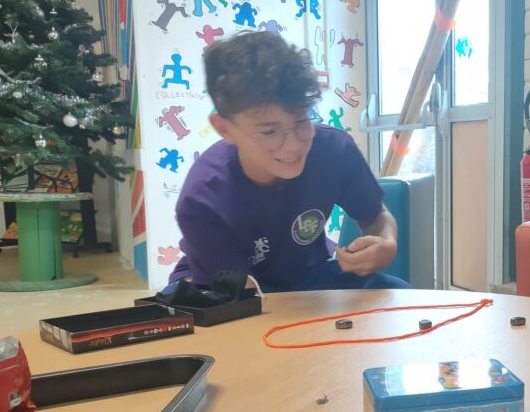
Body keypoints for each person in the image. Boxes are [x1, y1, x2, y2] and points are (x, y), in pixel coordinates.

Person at [170, 31, 409, 292]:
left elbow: (376, 217)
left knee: (396, 293)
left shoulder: (334, 150)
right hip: (224, 289)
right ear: (224, 128)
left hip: (308, 275)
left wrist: (385, 243)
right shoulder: (202, 198)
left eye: (302, 120)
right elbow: (241, 297)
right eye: (269, 132)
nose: (294, 144)